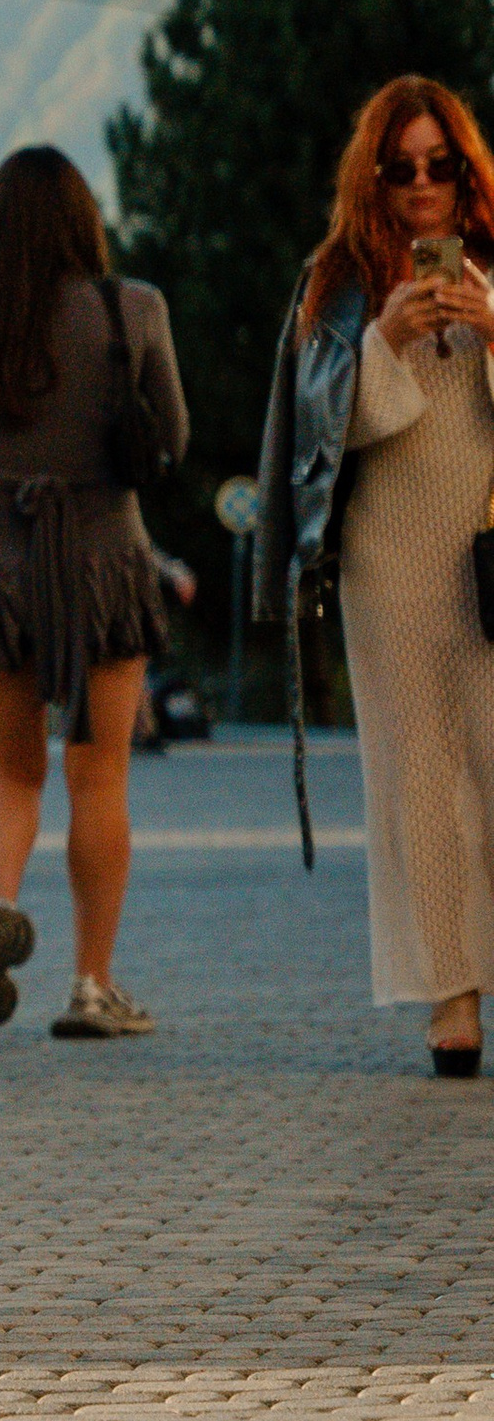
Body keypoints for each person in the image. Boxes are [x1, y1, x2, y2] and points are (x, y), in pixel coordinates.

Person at [256, 75, 494, 1077]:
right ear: (374, 174)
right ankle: (449, 995)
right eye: (403, 167)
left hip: (486, 549)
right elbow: (314, 443)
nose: (424, 184)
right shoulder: (337, 280)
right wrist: (381, 343)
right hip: (386, 557)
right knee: (417, 780)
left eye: (442, 164)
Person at [0, 146, 189, 1042]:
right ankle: (91, 985)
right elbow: (174, 439)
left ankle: (0, 902)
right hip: (102, 569)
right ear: (85, 220)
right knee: (98, 773)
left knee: (7, 769)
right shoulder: (135, 309)